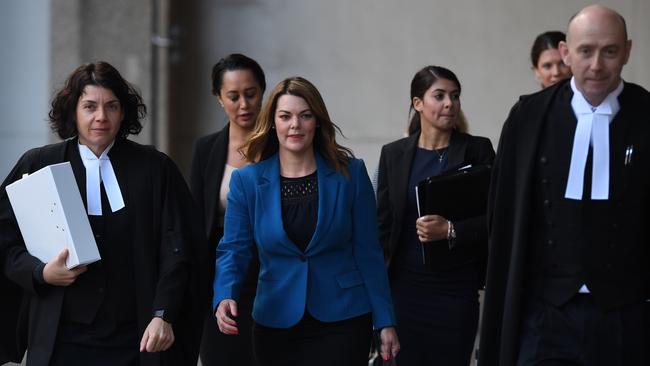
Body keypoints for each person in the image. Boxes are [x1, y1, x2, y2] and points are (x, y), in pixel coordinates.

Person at [0, 61, 208, 366]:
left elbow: (178, 248)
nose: (101, 116)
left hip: (135, 339)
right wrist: (38, 271)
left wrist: (163, 313)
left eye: (111, 106)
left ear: (123, 112)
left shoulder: (154, 168)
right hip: (61, 338)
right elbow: (4, 238)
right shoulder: (39, 164)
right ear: (73, 111)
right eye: (89, 106)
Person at [480, 5, 650, 365]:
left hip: (628, 316)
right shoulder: (528, 116)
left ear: (628, 51)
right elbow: (504, 215)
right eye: (586, 51)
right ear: (565, 52)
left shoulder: (647, 114)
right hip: (545, 317)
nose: (596, 65)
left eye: (610, 51)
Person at [213, 76, 399, 366]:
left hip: (344, 319)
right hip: (276, 321)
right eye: (285, 116)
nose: (295, 125)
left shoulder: (350, 174)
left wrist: (384, 320)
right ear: (273, 123)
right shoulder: (247, 182)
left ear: (318, 121)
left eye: (305, 115)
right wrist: (225, 294)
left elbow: (368, 252)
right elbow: (233, 248)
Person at [376, 66, 495, 365]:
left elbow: (497, 217)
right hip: (405, 294)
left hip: (456, 292)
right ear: (418, 103)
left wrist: (452, 229)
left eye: (454, 96)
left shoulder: (477, 150)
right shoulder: (393, 154)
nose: (449, 103)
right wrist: (378, 305)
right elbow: (382, 228)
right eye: (439, 96)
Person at [190, 53, 265, 366]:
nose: (244, 105)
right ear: (219, 98)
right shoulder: (206, 148)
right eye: (233, 96)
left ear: (263, 91)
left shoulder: (281, 143)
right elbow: (194, 219)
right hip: (221, 272)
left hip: (271, 269)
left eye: (251, 94)